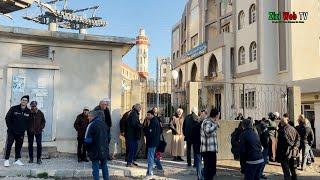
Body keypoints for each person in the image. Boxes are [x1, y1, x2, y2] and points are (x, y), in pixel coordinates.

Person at [4, 95, 31, 167]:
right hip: (11, 131)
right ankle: (6, 160)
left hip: (21, 132)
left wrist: (25, 129)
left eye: (25, 100)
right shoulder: (14, 108)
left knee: (18, 146)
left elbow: (28, 122)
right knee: (9, 145)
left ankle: (17, 160)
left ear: (27, 102)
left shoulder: (28, 111)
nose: (24, 101)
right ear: (21, 100)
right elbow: (7, 118)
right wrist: (10, 128)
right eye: (23, 100)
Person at [84, 110, 109, 180]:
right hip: (104, 149)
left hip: (95, 150)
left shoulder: (91, 125)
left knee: (95, 167)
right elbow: (108, 137)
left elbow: (87, 140)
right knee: (104, 166)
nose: (88, 118)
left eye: (89, 116)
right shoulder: (104, 124)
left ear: (92, 116)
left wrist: (88, 150)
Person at [276, 116, 300, 180]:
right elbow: (298, 138)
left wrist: (277, 155)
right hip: (293, 152)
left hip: (285, 152)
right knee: (293, 168)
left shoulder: (282, 131)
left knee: (286, 170)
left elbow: (280, 143)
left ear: (281, 123)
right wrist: (295, 146)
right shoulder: (293, 128)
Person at [201, 108, 220, 180]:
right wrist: (215, 125)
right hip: (208, 150)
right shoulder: (208, 122)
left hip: (211, 150)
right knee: (209, 170)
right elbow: (207, 131)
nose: (219, 117)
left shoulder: (210, 122)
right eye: (218, 115)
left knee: (211, 170)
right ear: (216, 115)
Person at [144, 110, 161, 177]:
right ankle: (159, 167)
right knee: (153, 156)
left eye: (148, 115)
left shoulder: (153, 122)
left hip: (152, 142)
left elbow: (150, 132)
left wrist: (147, 127)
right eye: (147, 115)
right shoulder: (154, 120)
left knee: (150, 157)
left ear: (152, 115)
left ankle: (150, 172)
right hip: (154, 142)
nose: (147, 116)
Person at [192, 109, 206, 180]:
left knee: (198, 163)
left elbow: (192, 137)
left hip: (197, 147)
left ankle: (199, 177)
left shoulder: (195, 127)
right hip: (205, 147)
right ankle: (204, 175)